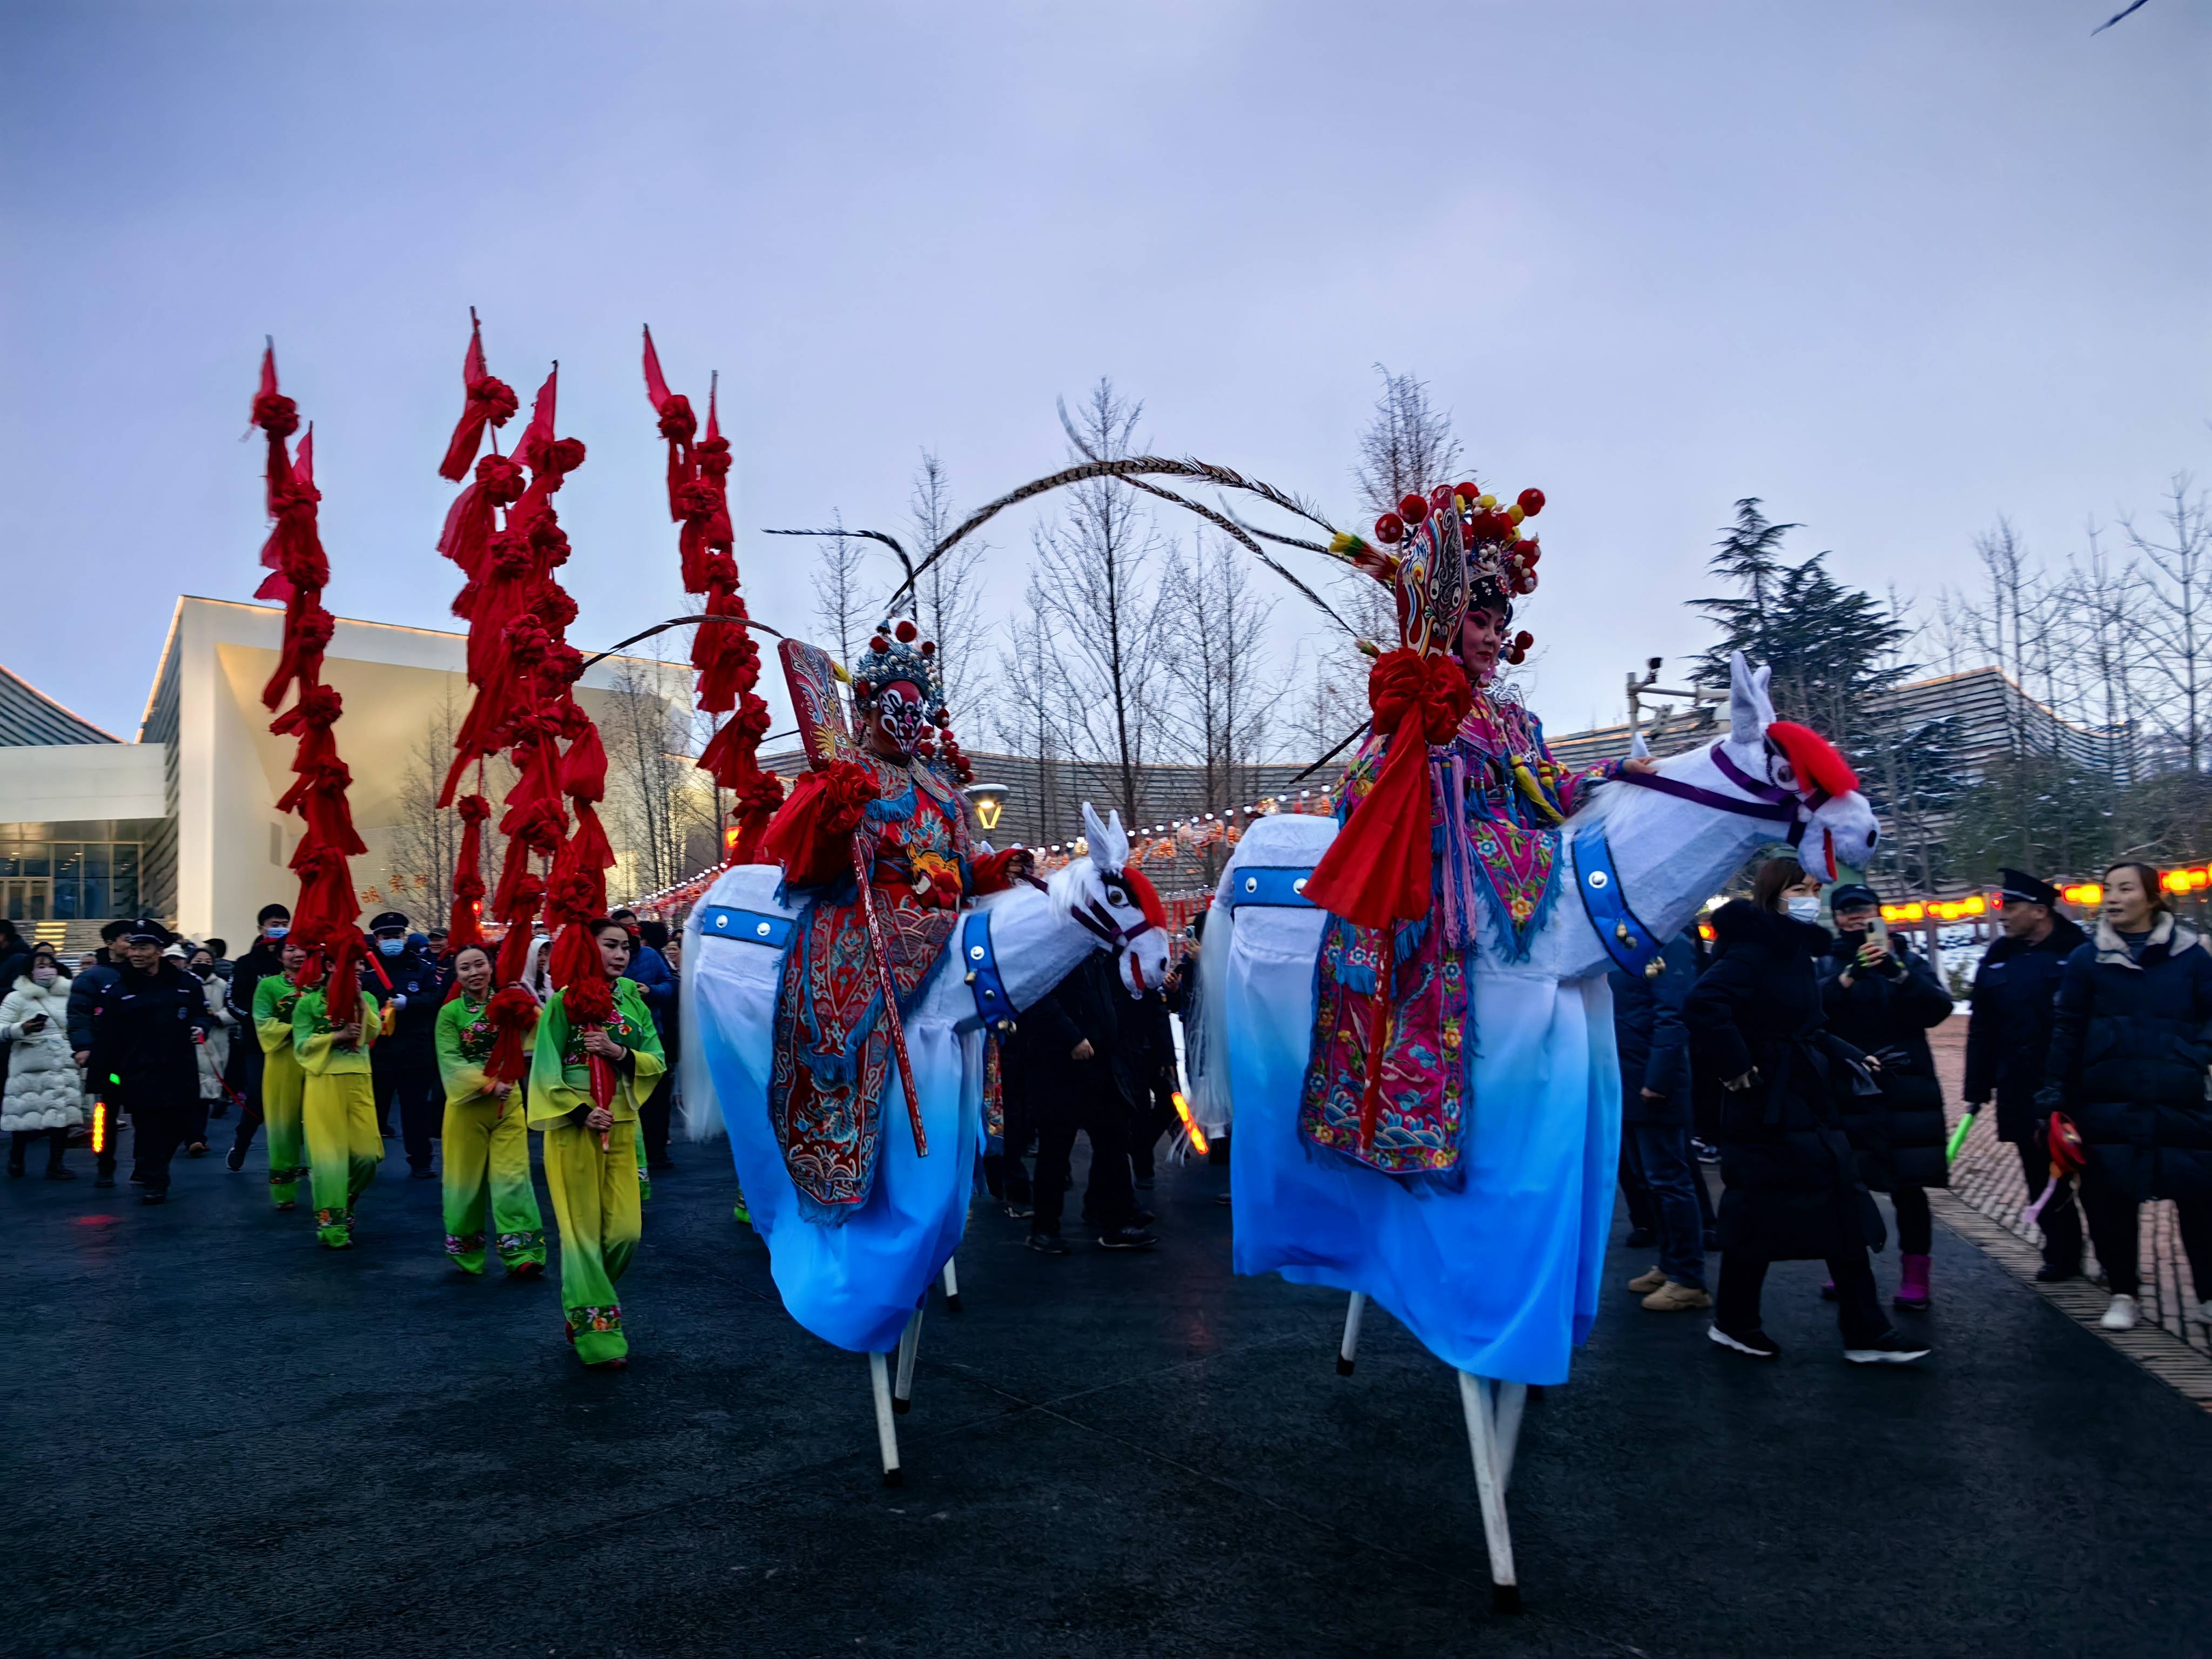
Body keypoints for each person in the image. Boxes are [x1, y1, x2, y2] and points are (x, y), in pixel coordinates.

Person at [1686, 859, 1929, 1364]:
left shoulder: (1794, 947)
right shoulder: (1756, 950)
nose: (1810, 897)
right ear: (1774, 894)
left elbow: (1809, 1024)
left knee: (1836, 1205)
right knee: (1762, 1215)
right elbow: (1704, 1002)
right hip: (1767, 1106)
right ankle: (1740, 1322)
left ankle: (1862, 1329)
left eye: (1815, 889)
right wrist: (1736, 1064)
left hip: (1803, 1098)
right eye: (1800, 888)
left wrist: (1849, 1054)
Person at [2038, 861, 2212, 1333]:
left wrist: (2192, 1054)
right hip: (2104, 1098)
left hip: (2181, 1097)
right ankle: (2123, 1292)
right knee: (2109, 1200)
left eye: (2125, 889)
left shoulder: (2193, 956)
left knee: (2200, 1199)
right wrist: (2054, 1089)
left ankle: (2208, 1294)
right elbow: (2067, 1027)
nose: (2112, 898)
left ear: (2154, 898)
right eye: (2107, 890)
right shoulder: (2086, 959)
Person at [528, 918, 665, 1367]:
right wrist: (581, 1112)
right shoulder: (564, 1003)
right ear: (590, 949)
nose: (621, 954)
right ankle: (597, 1333)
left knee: (626, 1232)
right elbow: (546, 1071)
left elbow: (656, 1059)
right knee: (582, 1233)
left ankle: (581, 1299)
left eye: (626, 947)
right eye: (610, 945)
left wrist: (618, 1053)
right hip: (574, 1129)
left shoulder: (632, 1000)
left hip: (623, 1123)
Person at [1819, 882, 1955, 1310]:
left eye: (1863, 909)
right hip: (1848, 1084)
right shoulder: (1827, 961)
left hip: (1906, 1085)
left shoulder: (1908, 959)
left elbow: (1937, 1009)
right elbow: (1813, 1012)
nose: (1855, 918)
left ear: (1881, 913)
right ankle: (1848, 1269)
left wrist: (1897, 972)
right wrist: (1847, 977)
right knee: (1845, 1184)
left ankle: (1916, 1276)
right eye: (1846, 912)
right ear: (1837, 919)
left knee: (1909, 1186)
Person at [1963, 869, 2089, 1280]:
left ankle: (2114, 1257)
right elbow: (1982, 1026)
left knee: (2097, 1177)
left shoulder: (2081, 952)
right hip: (2020, 1087)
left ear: (2040, 911)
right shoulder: (1997, 955)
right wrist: (1977, 1086)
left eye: (2011, 907)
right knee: (2041, 1176)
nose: (2003, 915)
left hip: (2079, 1087)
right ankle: (2062, 1254)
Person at [1015, 952, 1155, 1255]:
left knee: (1113, 1142)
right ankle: (1045, 1229)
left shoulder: (1092, 953)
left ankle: (1115, 1221)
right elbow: (1038, 998)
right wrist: (1072, 1038)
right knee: (1056, 1150)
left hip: (1100, 1063)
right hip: (1061, 1066)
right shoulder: (1056, 951)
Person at [434, 942, 546, 1277]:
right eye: (465, 968)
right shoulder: (449, 1014)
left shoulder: (507, 1002)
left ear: (491, 966)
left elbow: (539, 1035)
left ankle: (522, 1252)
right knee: (465, 1183)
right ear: (457, 976)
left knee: (513, 1177)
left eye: (479, 965)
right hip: (467, 1107)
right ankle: (467, 1251)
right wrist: (488, 1084)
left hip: (509, 1104)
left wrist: (530, 1011)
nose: (474, 973)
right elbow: (450, 1061)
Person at [1615, 929, 1709, 1311]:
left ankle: (1689, 1278)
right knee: (1650, 1181)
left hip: (1653, 1084)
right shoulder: (1629, 940)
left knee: (1669, 1181)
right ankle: (1670, 1264)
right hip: (1628, 1077)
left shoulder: (1671, 942)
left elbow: (1673, 1016)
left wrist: (1658, 1079)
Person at [86, 920, 204, 1205]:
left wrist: (201, 1028)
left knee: (181, 1123)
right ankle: (155, 1179)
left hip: (180, 1069)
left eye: (143, 948)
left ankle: (152, 1164)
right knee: (149, 1126)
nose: (136, 953)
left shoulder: (185, 984)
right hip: (138, 1071)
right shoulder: (118, 990)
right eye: (133, 947)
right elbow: (105, 1035)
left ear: (159, 951)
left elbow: (201, 1013)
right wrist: (104, 1076)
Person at [293, 948, 383, 1248]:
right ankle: (332, 1229)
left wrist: (358, 1000)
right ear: (330, 966)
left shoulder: (367, 999)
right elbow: (302, 1047)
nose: (358, 968)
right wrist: (336, 1037)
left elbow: (372, 1034)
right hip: (323, 1084)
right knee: (329, 1160)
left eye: (360, 962)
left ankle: (344, 1201)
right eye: (350, 962)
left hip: (360, 1082)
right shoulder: (307, 1004)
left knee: (369, 1156)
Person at [361, 911, 448, 1176]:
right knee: (372, 1107)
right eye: (386, 937)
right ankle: (364, 1160)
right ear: (376, 940)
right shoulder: (366, 970)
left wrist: (409, 1003)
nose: (392, 941)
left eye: (396, 936)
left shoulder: (421, 967)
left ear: (404, 937)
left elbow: (435, 999)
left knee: (416, 1109)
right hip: (378, 1050)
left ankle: (420, 1160)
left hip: (414, 1049)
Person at [3, 943, 84, 1179]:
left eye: (51, 966)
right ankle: (17, 1158)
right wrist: (22, 1028)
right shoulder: (16, 998)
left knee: (62, 1114)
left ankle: (56, 1163)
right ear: (29, 972)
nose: (47, 970)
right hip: (30, 1065)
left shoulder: (69, 996)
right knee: (24, 1114)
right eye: (41, 966)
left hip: (64, 1063)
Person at [225, 905, 295, 1172]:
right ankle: (242, 1144)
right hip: (258, 1044)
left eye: (285, 923)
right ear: (261, 928)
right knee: (257, 1098)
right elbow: (232, 1001)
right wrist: (257, 1021)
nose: (280, 927)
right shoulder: (247, 963)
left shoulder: (299, 958)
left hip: (297, 1043)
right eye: (275, 923)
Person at [611, 907, 678, 1172]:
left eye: (634, 925)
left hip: (652, 1033)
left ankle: (657, 1151)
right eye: (624, 926)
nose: (631, 930)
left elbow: (669, 984)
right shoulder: (606, 960)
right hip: (617, 1040)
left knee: (657, 1097)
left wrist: (651, 991)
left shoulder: (651, 956)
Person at [66, 919, 131, 1188]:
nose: (133, 946)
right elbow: (78, 1015)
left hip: (143, 1055)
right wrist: (83, 1047)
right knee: (107, 1108)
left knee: (149, 1110)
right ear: (110, 943)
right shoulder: (93, 977)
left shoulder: (150, 973)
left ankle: (150, 1167)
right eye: (127, 939)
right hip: (109, 1058)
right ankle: (105, 1163)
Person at [251, 939, 311, 1208]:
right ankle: (284, 1191)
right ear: (280, 956)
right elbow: (263, 1023)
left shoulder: (323, 984)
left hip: (319, 1060)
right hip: (282, 1062)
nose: (298, 954)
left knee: (320, 1123)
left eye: (305, 950)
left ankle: (325, 1182)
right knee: (283, 1125)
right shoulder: (268, 986)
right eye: (291, 949)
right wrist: (304, 1029)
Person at [185, 943, 238, 1144]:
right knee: (190, 1089)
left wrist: (218, 1018)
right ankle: (190, 1135)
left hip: (215, 1041)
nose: (203, 965)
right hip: (189, 1040)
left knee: (206, 1090)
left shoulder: (223, 986)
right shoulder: (184, 983)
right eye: (198, 961)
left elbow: (234, 1010)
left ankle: (197, 1137)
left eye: (208, 962)